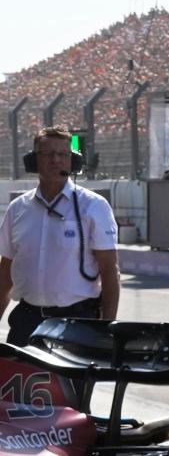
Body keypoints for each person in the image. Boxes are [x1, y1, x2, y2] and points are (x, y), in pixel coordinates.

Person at [0, 126, 120, 346]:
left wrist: (106, 330)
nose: (55, 160)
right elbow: (5, 274)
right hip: (27, 321)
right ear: (33, 160)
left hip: (77, 323)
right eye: (47, 154)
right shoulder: (17, 209)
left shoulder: (94, 206)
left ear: (73, 161)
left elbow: (109, 271)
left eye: (63, 154)